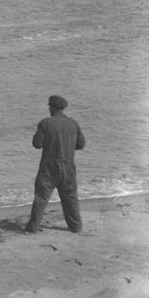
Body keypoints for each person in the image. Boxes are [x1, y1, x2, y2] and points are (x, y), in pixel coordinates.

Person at [24, 95, 85, 234]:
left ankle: (32, 228)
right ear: (63, 109)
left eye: (49, 106)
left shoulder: (45, 123)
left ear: (52, 107)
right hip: (68, 168)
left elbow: (37, 144)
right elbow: (81, 145)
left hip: (49, 168)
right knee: (70, 199)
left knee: (41, 198)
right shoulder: (73, 123)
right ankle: (76, 227)